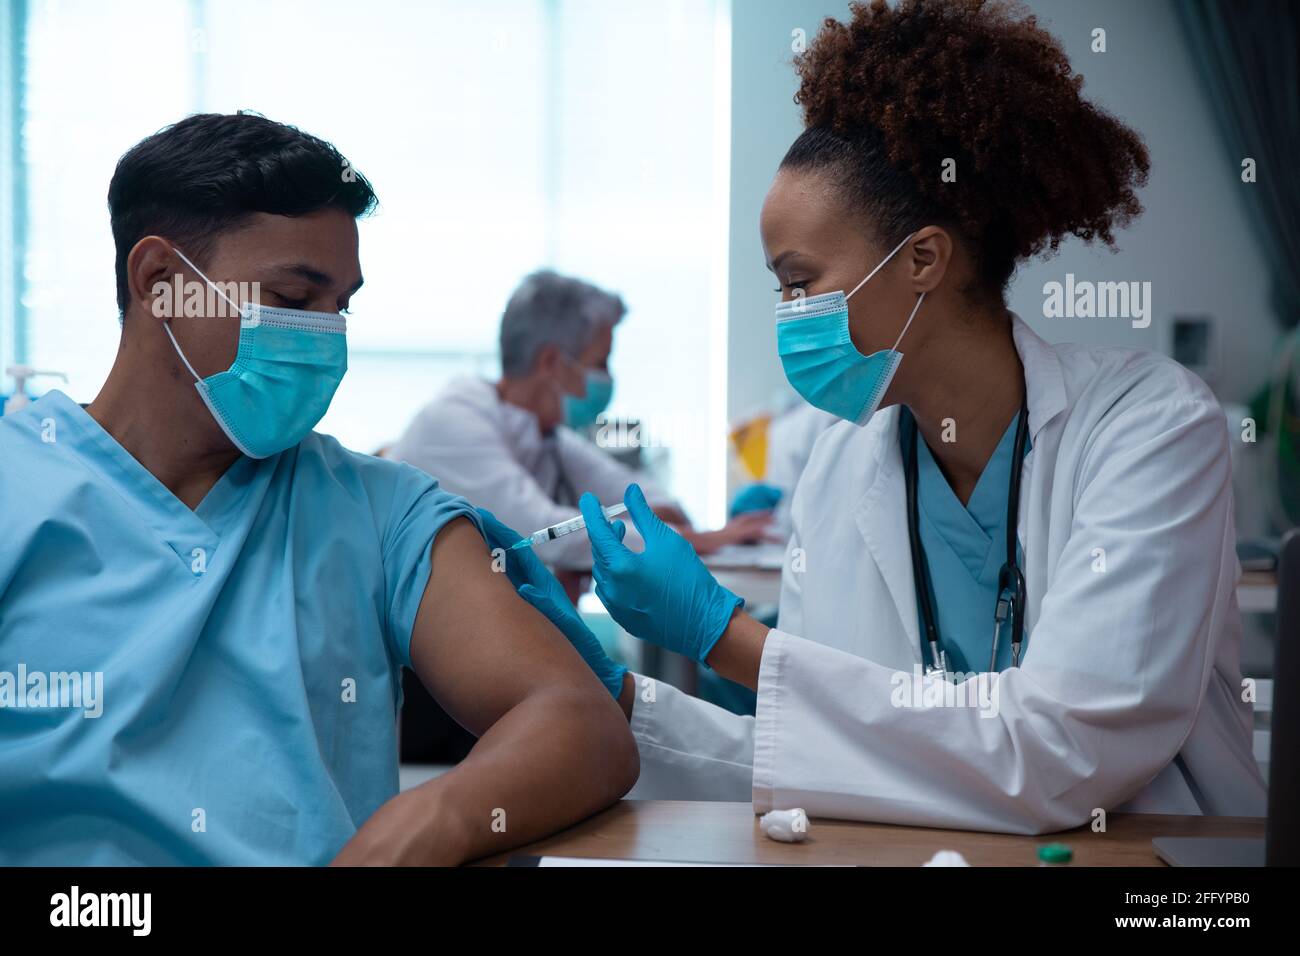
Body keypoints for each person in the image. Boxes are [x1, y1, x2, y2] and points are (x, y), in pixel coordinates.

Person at [483, 0, 1266, 834]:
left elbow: (1061, 753)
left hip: (1160, 884)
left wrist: (725, 637)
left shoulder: (1150, 429)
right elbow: (832, 762)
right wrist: (620, 697)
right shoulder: (839, 471)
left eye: (798, 281)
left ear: (923, 259)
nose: (785, 314)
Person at [0, 113, 637, 865]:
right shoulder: (20, 483)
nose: (325, 338)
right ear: (160, 284)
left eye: (342, 307)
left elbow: (577, 721)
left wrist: (435, 820)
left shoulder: (381, 512)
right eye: (294, 299)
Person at [388, 269, 771, 575]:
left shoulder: (544, 433)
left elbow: (647, 498)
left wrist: (676, 529)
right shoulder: (452, 422)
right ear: (551, 362)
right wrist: (685, 539)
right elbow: (544, 531)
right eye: (599, 362)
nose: (608, 378)